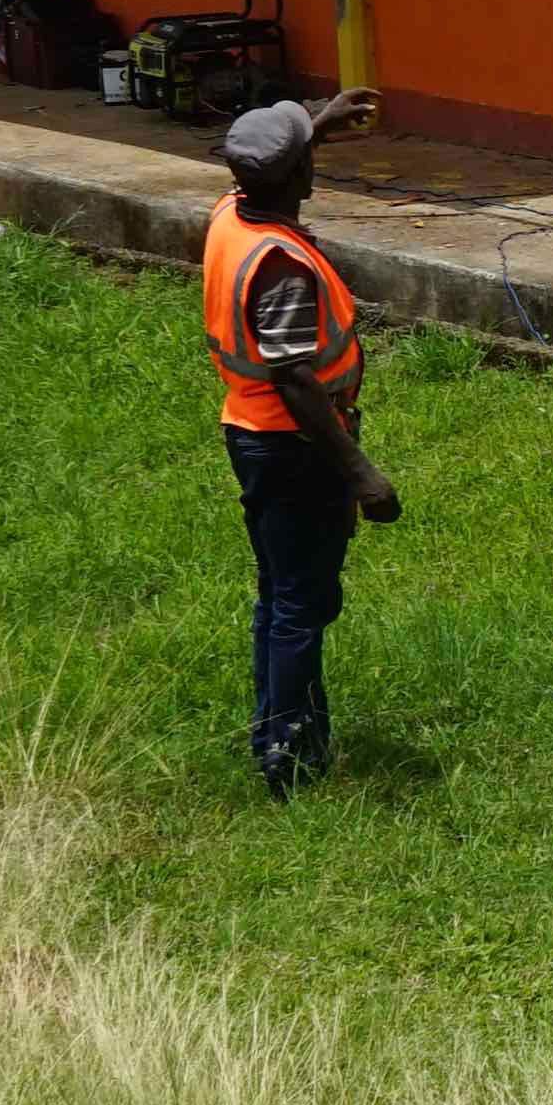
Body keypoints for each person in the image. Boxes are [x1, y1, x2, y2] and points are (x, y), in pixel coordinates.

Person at [203, 89, 395, 796]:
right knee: (298, 606)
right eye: (308, 153)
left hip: (249, 431)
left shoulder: (234, 214)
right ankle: (286, 756)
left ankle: (291, 730)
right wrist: (361, 474)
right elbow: (294, 379)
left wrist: (314, 127)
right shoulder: (280, 265)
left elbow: (258, 169)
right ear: (298, 177)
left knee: (283, 593)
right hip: (293, 447)